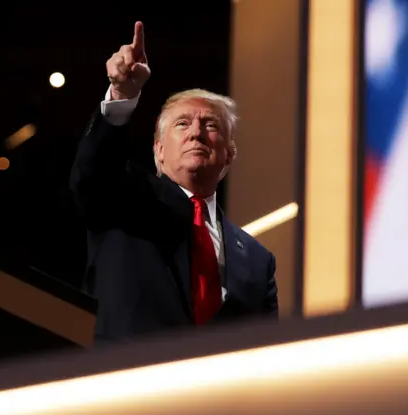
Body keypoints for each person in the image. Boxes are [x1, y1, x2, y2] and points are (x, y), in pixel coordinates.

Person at [70, 21, 278, 342]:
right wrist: (123, 96)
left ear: (229, 155)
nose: (196, 132)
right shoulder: (123, 199)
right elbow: (92, 174)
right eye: (182, 124)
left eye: (210, 125)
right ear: (159, 150)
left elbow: (266, 353)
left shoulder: (258, 261)